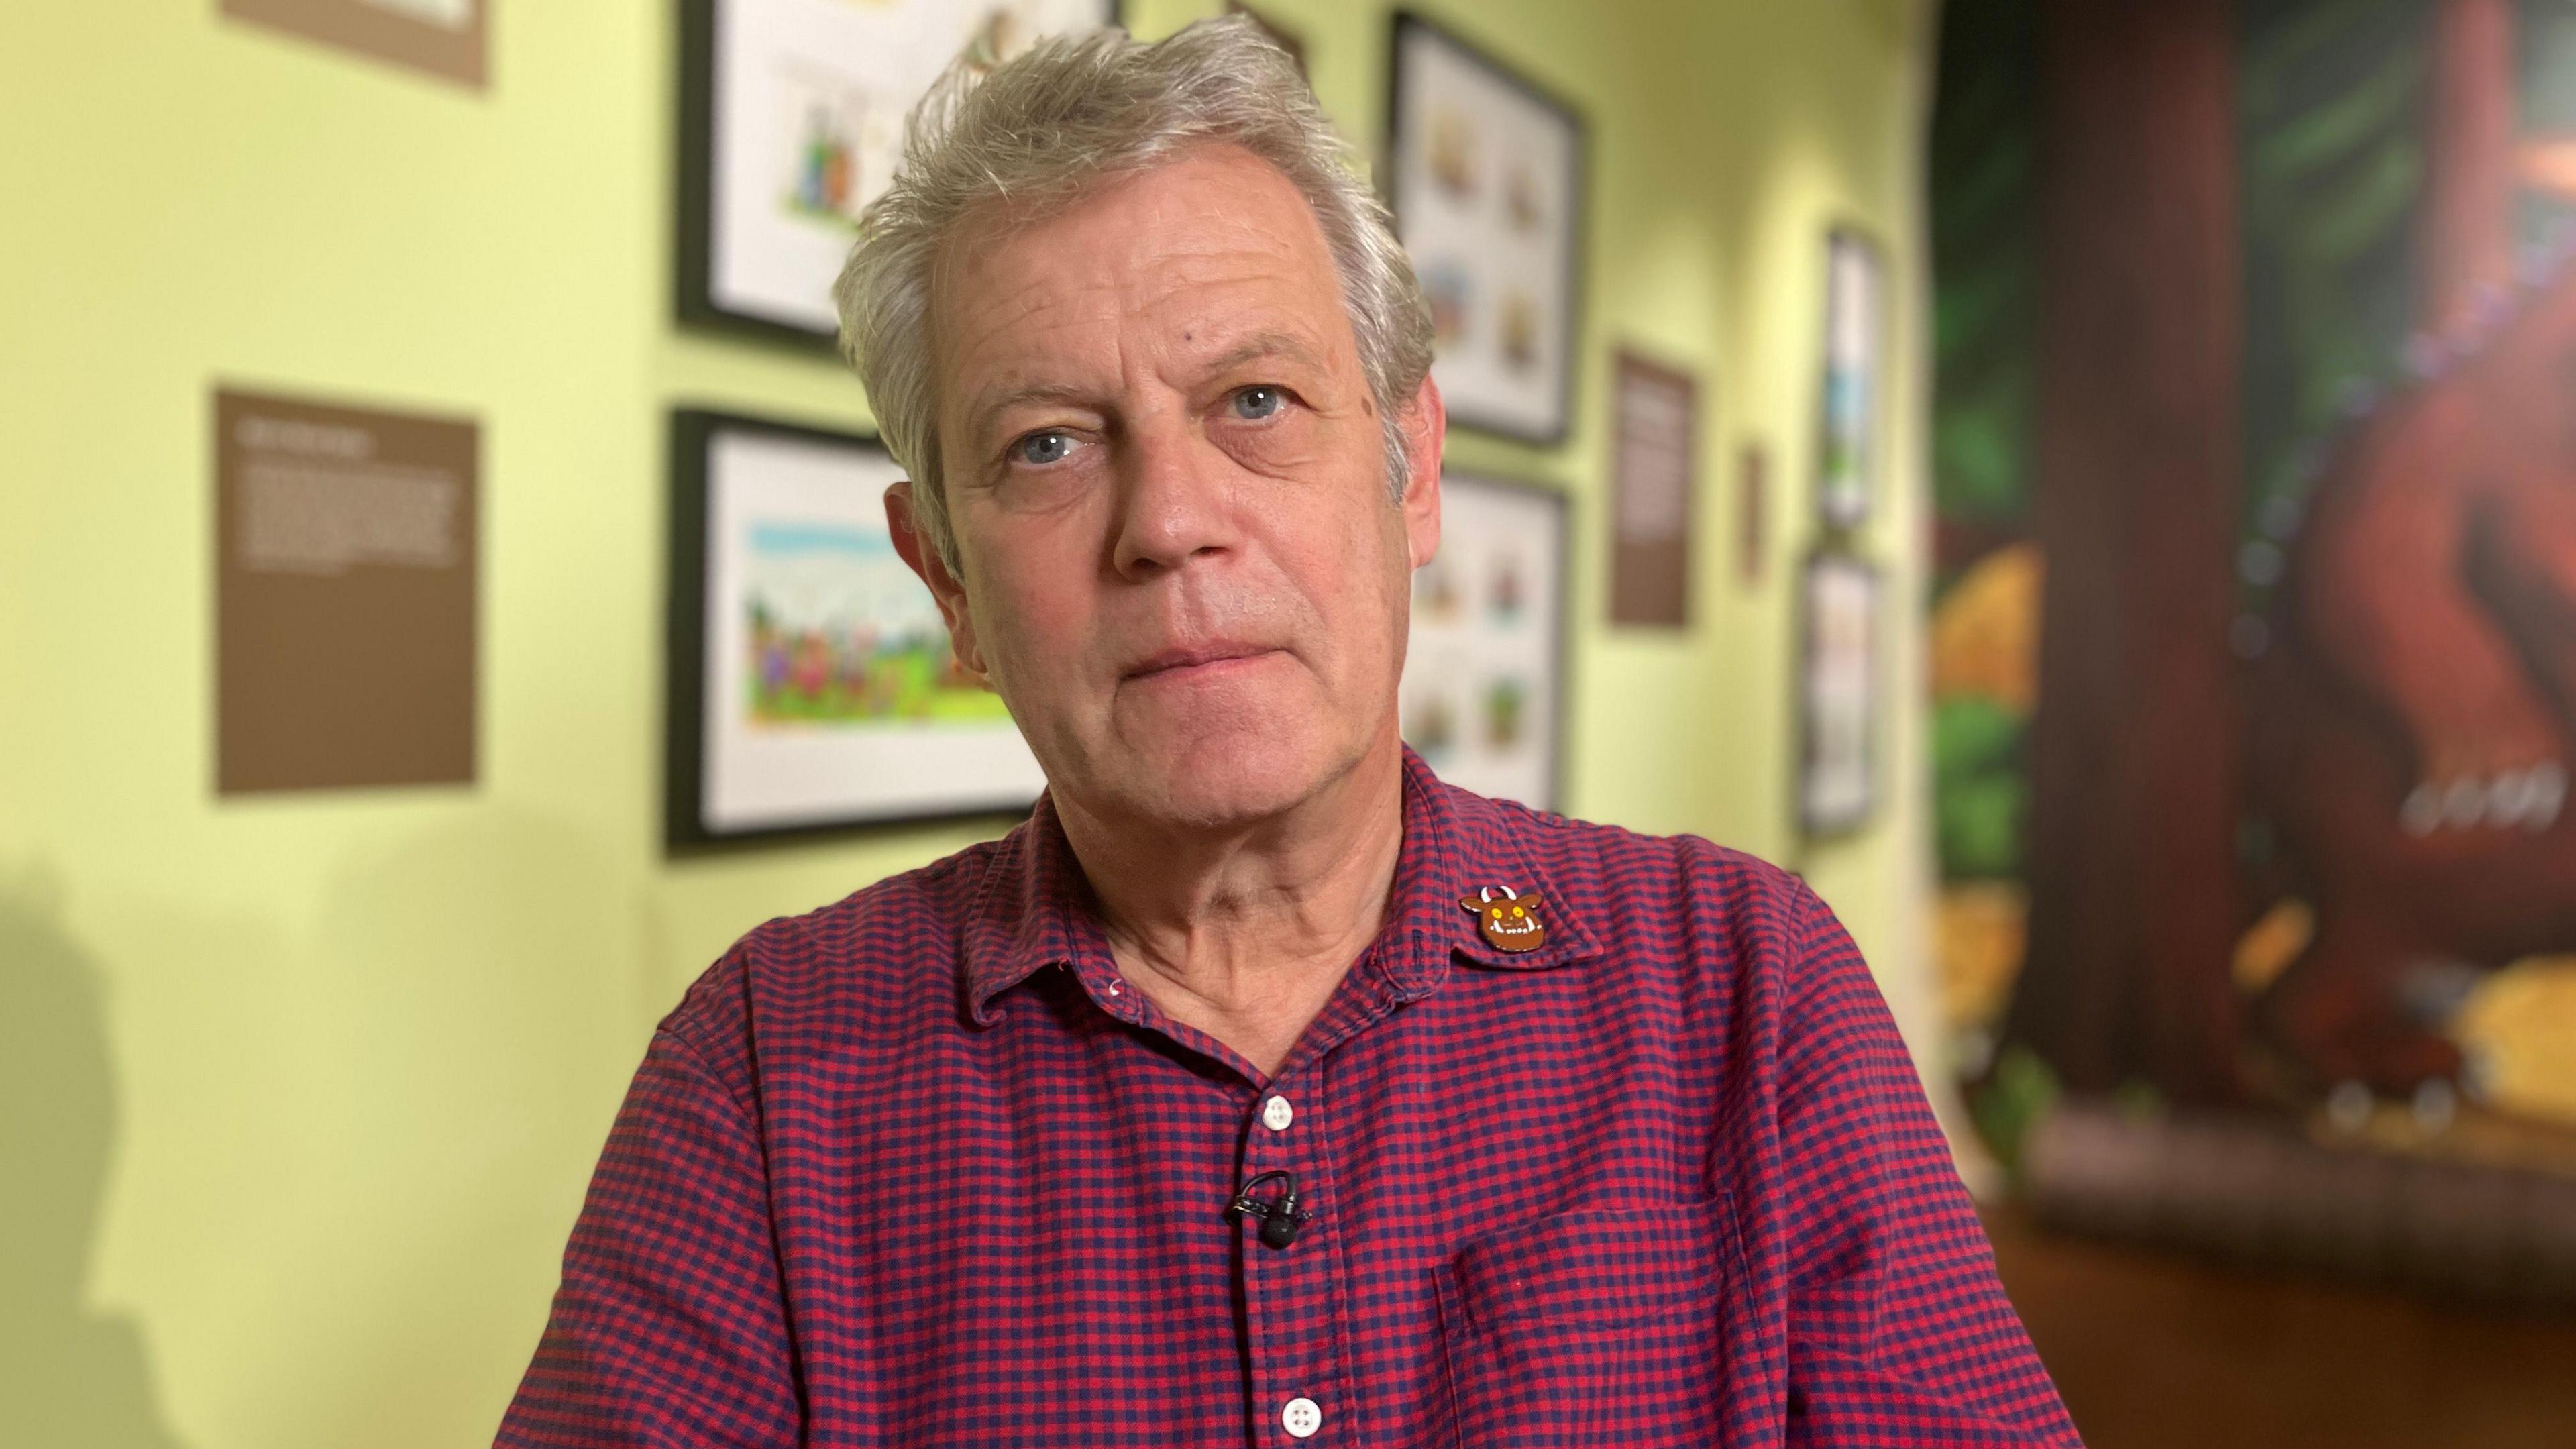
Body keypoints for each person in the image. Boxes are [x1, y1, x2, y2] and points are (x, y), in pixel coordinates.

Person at [496, 17, 2078, 1447]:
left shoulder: (1744, 985)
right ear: (949, 584)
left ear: (1413, 474)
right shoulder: (774, 1076)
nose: (1171, 523)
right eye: (1048, 444)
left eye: (1255, 402)